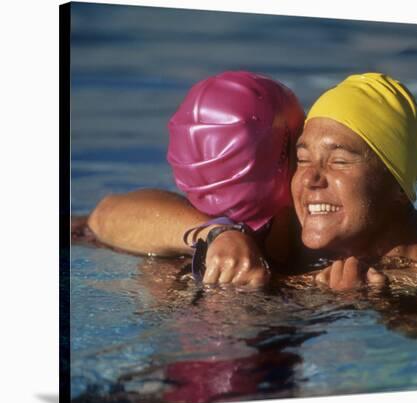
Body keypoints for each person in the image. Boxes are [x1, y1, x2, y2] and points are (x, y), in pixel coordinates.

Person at [79, 73, 417, 291]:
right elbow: (104, 216)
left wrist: (388, 287)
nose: (310, 178)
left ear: (396, 180)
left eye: (340, 161)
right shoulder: (289, 237)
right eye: (302, 158)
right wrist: (214, 232)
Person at [79, 70, 305, 287]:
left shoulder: (175, 246)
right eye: (304, 148)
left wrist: (214, 232)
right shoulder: (321, 263)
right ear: (292, 155)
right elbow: (105, 215)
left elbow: (99, 218)